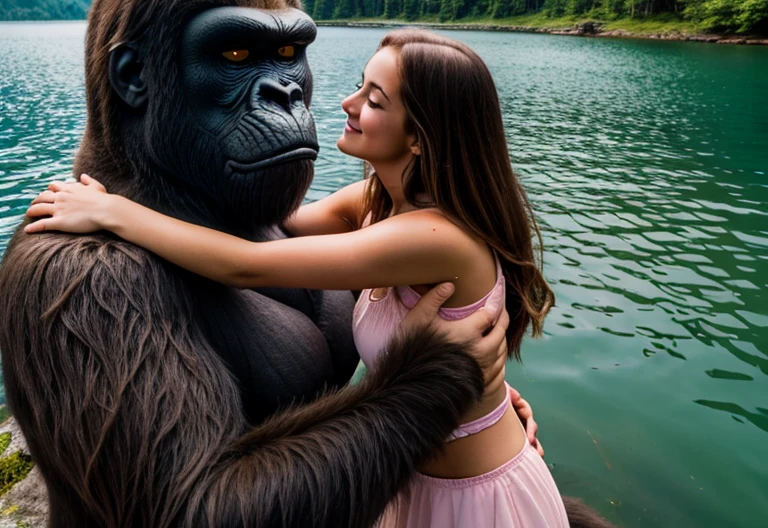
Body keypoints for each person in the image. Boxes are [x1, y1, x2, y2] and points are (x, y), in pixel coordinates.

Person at [27, 28, 567, 527]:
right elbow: (276, 220)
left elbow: (246, 263)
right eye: (359, 85)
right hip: (416, 481)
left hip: (476, 498)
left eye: (374, 101)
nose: (345, 104)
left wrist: (113, 214)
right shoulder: (376, 203)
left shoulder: (434, 237)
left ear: (421, 138)